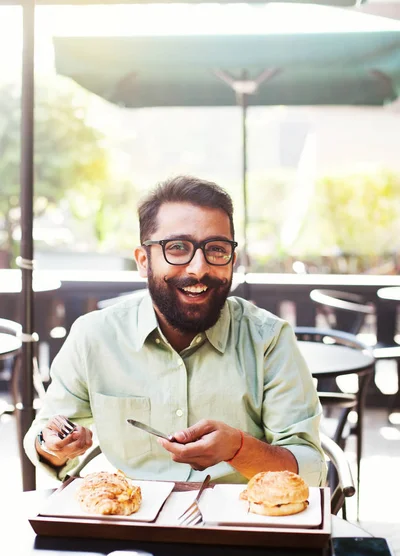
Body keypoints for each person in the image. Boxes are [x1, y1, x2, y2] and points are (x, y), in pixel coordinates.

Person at [24, 175, 326, 486]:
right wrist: (54, 446)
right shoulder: (94, 336)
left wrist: (238, 448)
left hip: (243, 522)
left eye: (217, 249)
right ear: (144, 261)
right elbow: (45, 438)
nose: (199, 268)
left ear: (232, 259)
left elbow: (310, 470)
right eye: (178, 247)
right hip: (130, 518)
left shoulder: (269, 339)